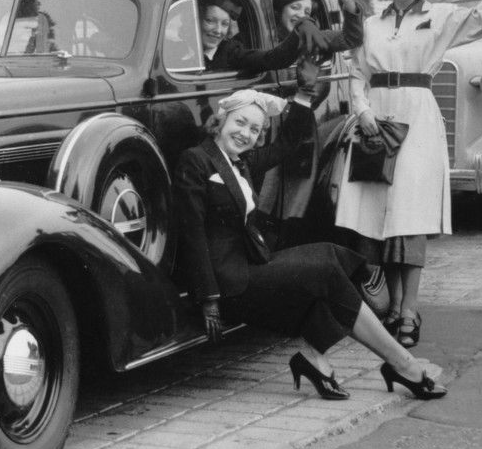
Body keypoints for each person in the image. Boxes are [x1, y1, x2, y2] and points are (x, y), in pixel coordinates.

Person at [173, 88, 445, 402]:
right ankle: (399, 362)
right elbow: (191, 233)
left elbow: (288, 143)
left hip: (249, 265)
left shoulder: (241, 162)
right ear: (220, 121)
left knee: (330, 265)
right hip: (226, 283)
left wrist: (303, 96)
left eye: (255, 129)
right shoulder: (195, 160)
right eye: (240, 122)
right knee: (328, 267)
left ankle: (328, 361)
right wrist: (209, 298)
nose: (245, 134)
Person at [334, 0, 482, 348]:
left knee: (409, 214)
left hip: (417, 118)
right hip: (376, 118)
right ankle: (392, 307)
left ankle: (409, 310)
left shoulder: (440, 16)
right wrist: (363, 112)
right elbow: (356, 73)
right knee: (380, 217)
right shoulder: (370, 23)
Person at [257, 0, 364, 244]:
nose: (300, 15)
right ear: (279, 11)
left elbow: (352, 38)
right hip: (270, 125)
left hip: (304, 127)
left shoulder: (318, 36)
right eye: (294, 7)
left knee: (297, 195)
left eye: (306, 9)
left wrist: (350, 6)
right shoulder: (270, 42)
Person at [198, 0, 331, 75]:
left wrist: (300, 33)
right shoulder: (180, 51)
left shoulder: (231, 50)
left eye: (225, 24)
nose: (218, 30)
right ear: (197, 21)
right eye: (210, 21)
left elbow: (270, 58)